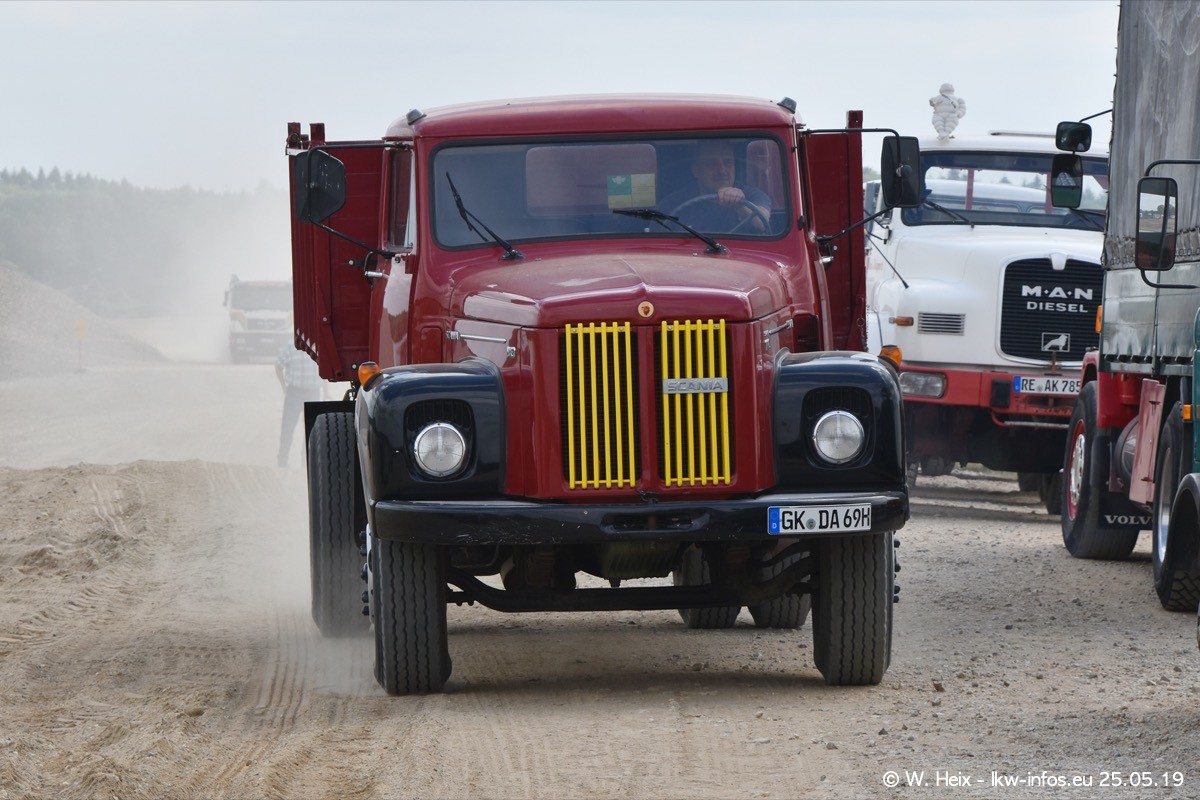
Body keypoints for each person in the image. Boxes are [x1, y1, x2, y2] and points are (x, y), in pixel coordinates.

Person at [659, 140, 772, 233]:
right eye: (712, 163)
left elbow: (761, 224)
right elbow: (658, 242)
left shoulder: (753, 196)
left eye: (728, 162)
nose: (722, 170)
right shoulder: (673, 203)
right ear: (696, 170)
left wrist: (740, 206)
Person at [275, 344, 323, 467]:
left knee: (311, 428)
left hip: (312, 392)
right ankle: (283, 460)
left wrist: (325, 390)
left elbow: (324, 370)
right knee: (288, 427)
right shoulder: (291, 347)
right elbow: (278, 365)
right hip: (295, 392)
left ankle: (306, 461)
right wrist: (283, 386)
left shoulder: (317, 347)